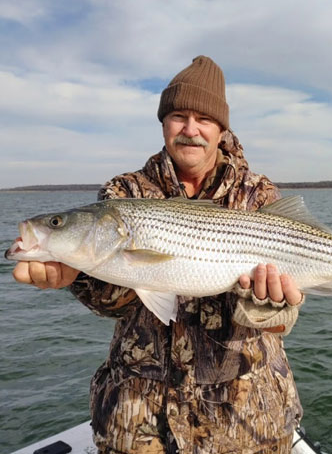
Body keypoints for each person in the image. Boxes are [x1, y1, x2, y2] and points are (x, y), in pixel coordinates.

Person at [12, 56, 304, 454]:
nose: (190, 129)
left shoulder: (257, 195)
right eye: (178, 116)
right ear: (164, 123)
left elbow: (282, 321)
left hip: (245, 415)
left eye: (204, 119)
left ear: (221, 129)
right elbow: (116, 303)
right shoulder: (124, 194)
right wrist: (76, 276)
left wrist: (268, 305)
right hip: (138, 414)